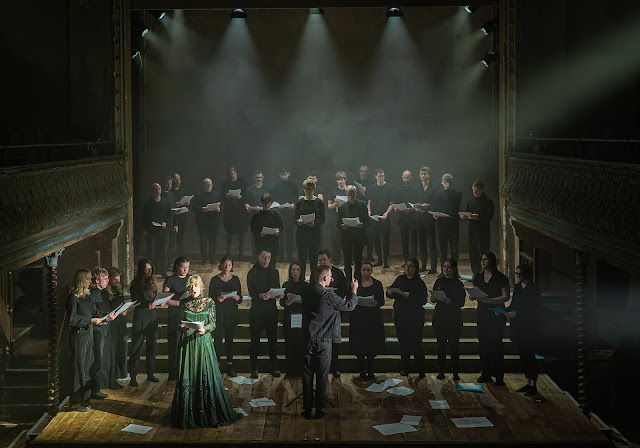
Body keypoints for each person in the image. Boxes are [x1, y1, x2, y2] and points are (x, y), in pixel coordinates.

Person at [171, 275, 243, 429]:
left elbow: (213, 324)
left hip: (203, 343)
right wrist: (182, 328)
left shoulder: (209, 302)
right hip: (188, 344)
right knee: (188, 378)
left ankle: (206, 413)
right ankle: (188, 414)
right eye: (191, 286)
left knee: (204, 376)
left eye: (196, 286)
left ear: (201, 287)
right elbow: (179, 323)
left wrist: (205, 329)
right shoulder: (184, 302)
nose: (193, 289)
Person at [301, 265, 358, 419]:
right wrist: (353, 290)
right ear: (325, 278)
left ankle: (307, 409)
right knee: (321, 376)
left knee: (306, 375)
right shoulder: (328, 297)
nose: (332, 279)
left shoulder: (305, 292)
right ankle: (319, 409)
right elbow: (349, 306)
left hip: (307, 339)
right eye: (330, 276)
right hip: (323, 341)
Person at [470, 251, 510, 386]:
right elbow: (476, 292)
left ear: (491, 261)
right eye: (481, 259)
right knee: (483, 343)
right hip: (482, 311)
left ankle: (499, 376)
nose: (482, 262)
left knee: (495, 344)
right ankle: (485, 373)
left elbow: (506, 296)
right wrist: (473, 296)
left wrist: (491, 300)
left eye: (485, 260)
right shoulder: (479, 277)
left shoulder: (500, 278)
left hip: (496, 311)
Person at [387, 258, 428, 377]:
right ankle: (405, 367)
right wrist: (390, 292)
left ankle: (421, 369)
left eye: (410, 266)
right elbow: (392, 292)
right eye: (406, 266)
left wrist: (411, 295)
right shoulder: (400, 279)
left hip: (415, 318)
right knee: (403, 343)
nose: (407, 268)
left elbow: (423, 300)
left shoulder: (419, 283)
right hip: (400, 316)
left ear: (415, 269)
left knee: (416, 344)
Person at [247, 248, 283, 378]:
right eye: (264, 257)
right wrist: (259, 295)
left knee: (273, 340)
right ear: (258, 256)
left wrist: (278, 294)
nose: (266, 260)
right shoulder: (252, 272)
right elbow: (251, 290)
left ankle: (274, 367)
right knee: (255, 340)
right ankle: (253, 368)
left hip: (271, 310)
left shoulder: (274, 272)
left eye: (268, 257)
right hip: (257, 310)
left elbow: (276, 286)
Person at [506, 264, 540, 396]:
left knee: (529, 355)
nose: (517, 276)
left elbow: (532, 310)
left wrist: (516, 314)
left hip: (529, 327)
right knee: (523, 354)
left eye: (519, 274)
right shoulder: (518, 287)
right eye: (516, 274)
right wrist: (504, 310)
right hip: (518, 326)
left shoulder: (533, 289)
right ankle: (528, 382)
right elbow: (514, 304)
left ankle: (533, 385)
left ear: (525, 274)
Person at [129, 259, 164, 387]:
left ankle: (151, 373)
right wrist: (146, 303)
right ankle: (133, 376)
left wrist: (158, 301)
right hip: (141, 315)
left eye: (151, 268)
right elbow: (135, 299)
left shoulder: (152, 282)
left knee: (152, 346)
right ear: (141, 269)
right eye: (146, 269)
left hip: (152, 315)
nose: (149, 271)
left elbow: (154, 297)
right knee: (137, 346)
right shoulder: (136, 283)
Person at [67, 269, 98, 411]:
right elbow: (72, 320)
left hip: (89, 334)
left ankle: (85, 400)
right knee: (78, 369)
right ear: (81, 280)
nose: (91, 282)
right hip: (79, 336)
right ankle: (75, 403)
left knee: (87, 368)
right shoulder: (73, 297)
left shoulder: (87, 296)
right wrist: (90, 320)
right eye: (88, 279)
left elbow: (94, 313)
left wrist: (106, 317)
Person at [431, 258, 466, 380]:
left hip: (453, 318)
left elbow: (461, 302)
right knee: (441, 345)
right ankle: (441, 371)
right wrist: (434, 298)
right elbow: (433, 298)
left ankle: (455, 372)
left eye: (448, 267)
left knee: (454, 346)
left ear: (454, 269)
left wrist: (450, 301)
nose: (446, 269)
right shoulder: (439, 282)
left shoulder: (458, 284)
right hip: (440, 317)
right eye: (444, 267)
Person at [210, 255, 243, 377]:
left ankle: (230, 365)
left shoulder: (235, 279)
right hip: (219, 312)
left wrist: (237, 297)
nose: (227, 267)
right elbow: (210, 297)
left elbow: (241, 298)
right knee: (218, 339)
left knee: (230, 339)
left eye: (229, 265)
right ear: (221, 264)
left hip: (231, 312)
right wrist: (217, 298)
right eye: (225, 264)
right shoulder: (214, 279)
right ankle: (216, 365)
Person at [350, 262, 385, 379]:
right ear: (360, 270)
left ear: (372, 271)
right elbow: (350, 298)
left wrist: (374, 303)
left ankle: (370, 371)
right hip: (358, 319)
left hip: (372, 319)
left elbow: (382, 301)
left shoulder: (377, 284)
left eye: (368, 270)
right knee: (359, 345)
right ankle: (361, 371)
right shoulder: (355, 284)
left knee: (371, 346)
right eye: (364, 270)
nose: (366, 272)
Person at [317, 249, 347, 378]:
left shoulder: (338, 273)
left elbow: (344, 290)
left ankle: (336, 367)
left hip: (335, 311)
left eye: (324, 259)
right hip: (322, 312)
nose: (322, 262)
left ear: (329, 259)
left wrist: (334, 296)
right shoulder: (317, 273)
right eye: (320, 261)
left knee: (335, 341)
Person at [162, 256, 191, 380]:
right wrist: (179, 303)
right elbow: (165, 298)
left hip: (188, 315)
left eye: (187, 268)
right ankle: (173, 373)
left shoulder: (190, 278)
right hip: (174, 314)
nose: (184, 270)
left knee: (188, 344)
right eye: (182, 267)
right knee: (174, 344)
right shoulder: (170, 279)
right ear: (176, 267)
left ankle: (186, 372)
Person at [89, 268, 114, 400]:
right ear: (97, 281)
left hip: (104, 327)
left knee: (102, 358)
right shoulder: (92, 294)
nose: (108, 281)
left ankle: (99, 387)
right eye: (105, 279)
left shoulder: (104, 293)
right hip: (96, 330)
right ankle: (94, 389)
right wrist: (107, 316)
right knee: (97, 359)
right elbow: (93, 313)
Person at [280, 262, 308, 377]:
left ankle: (302, 370)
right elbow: (281, 302)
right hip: (289, 317)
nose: (295, 272)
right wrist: (286, 302)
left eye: (297, 270)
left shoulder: (306, 286)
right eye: (293, 270)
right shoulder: (286, 285)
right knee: (290, 345)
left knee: (301, 344)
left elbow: (310, 302)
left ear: (301, 271)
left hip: (302, 318)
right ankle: (290, 370)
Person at [462, 180, 495, 276]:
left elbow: (490, 217)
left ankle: (485, 273)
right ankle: (475, 273)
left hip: (483, 231)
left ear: (482, 189)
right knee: (473, 253)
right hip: (472, 231)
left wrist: (478, 217)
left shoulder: (489, 202)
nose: (475, 193)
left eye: (477, 191)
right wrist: (465, 217)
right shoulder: (471, 202)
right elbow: (468, 213)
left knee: (483, 252)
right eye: (473, 191)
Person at [336, 185, 369, 281]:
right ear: (346, 194)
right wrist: (342, 226)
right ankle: (348, 280)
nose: (351, 195)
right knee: (347, 261)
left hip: (359, 236)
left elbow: (368, 222)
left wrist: (362, 225)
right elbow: (337, 223)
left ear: (356, 193)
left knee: (358, 260)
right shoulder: (342, 207)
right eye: (349, 193)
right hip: (346, 237)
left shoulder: (362, 205)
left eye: (353, 193)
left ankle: (357, 279)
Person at [295, 178, 325, 280]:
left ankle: (313, 282)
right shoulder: (300, 202)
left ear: (314, 188)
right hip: (302, 234)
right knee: (301, 259)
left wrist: (315, 223)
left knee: (313, 259)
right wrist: (298, 221)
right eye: (307, 189)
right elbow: (294, 218)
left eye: (311, 189)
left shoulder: (318, 202)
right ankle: (301, 281)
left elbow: (323, 219)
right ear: (304, 189)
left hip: (314, 234)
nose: (309, 191)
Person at [433, 173, 462, 270]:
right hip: (442, 225)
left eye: (449, 183)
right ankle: (443, 270)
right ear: (442, 183)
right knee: (443, 250)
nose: (447, 185)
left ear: (451, 183)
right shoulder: (438, 194)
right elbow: (436, 208)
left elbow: (456, 209)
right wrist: (436, 215)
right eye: (445, 182)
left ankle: (454, 271)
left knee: (454, 249)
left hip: (453, 225)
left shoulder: (457, 194)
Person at [142, 183, 172, 276]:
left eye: (159, 189)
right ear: (152, 191)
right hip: (151, 230)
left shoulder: (165, 202)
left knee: (163, 251)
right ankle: (152, 271)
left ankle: (163, 270)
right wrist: (145, 229)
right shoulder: (148, 203)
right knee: (151, 252)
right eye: (156, 189)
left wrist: (165, 223)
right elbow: (144, 217)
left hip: (163, 230)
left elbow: (170, 215)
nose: (158, 191)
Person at [367, 168, 394, 268]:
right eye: (379, 176)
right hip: (374, 217)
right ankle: (379, 260)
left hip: (385, 217)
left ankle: (386, 260)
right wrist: (369, 210)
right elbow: (369, 201)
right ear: (375, 177)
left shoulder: (389, 188)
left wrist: (387, 213)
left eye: (383, 175)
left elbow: (392, 204)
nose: (381, 177)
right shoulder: (371, 188)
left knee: (385, 239)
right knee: (376, 239)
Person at [192, 178, 223, 265]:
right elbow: (193, 207)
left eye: (210, 184)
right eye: (207, 184)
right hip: (202, 222)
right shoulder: (198, 195)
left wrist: (219, 209)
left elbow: (222, 206)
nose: (209, 186)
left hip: (214, 221)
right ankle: (203, 259)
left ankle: (212, 258)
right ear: (203, 185)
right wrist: (201, 209)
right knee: (203, 240)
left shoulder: (217, 194)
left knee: (213, 240)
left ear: (212, 185)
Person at [106, 267, 128, 389]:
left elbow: (121, 304)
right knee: (113, 350)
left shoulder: (119, 290)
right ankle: (112, 378)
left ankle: (121, 374)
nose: (117, 281)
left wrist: (124, 309)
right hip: (112, 323)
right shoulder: (106, 292)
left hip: (121, 321)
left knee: (122, 346)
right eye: (115, 279)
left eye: (119, 278)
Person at [221, 163, 249, 259]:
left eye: (234, 170)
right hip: (230, 211)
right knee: (229, 232)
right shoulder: (225, 183)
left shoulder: (243, 182)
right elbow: (222, 196)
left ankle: (240, 254)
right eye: (231, 171)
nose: (232, 172)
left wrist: (241, 197)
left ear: (237, 171)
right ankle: (228, 253)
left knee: (241, 233)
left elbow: (247, 195)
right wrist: (227, 196)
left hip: (240, 211)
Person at [415, 166, 439, 274]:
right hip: (420, 218)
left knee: (432, 243)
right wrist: (416, 208)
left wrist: (428, 206)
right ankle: (423, 265)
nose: (423, 176)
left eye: (425, 174)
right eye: (421, 174)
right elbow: (415, 202)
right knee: (422, 243)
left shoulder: (435, 188)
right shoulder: (417, 188)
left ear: (429, 175)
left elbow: (437, 203)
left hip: (430, 218)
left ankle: (433, 267)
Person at [250, 193, 284, 266]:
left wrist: (278, 231)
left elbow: (281, 226)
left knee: (272, 262)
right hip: (261, 242)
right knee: (261, 263)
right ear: (261, 203)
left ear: (270, 203)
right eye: (264, 203)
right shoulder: (256, 215)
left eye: (268, 203)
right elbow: (252, 228)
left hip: (273, 242)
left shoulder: (276, 214)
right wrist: (259, 233)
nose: (266, 205)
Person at [272, 168, 298, 262]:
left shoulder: (293, 185)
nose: (284, 176)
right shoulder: (276, 186)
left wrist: (293, 204)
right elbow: (273, 198)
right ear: (280, 175)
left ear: (289, 174)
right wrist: (277, 205)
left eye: (286, 174)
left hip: (290, 213)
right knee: (279, 235)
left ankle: (289, 256)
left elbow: (296, 198)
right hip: (280, 213)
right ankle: (280, 256)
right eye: (282, 174)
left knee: (290, 235)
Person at [246, 170, 271, 258]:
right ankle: (255, 257)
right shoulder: (250, 189)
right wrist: (247, 207)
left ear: (263, 177)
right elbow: (246, 202)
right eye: (257, 177)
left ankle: (265, 257)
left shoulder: (267, 189)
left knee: (266, 237)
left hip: (265, 216)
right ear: (254, 178)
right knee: (255, 238)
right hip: (254, 217)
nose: (259, 179)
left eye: (260, 177)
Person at [395, 170, 419, 262]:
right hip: (402, 219)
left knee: (414, 241)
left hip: (413, 218)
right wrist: (396, 208)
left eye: (407, 178)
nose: (406, 180)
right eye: (404, 178)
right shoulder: (398, 190)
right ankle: (406, 261)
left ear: (411, 178)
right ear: (402, 178)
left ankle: (413, 261)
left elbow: (418, 204)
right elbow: (396, 203)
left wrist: (411, 209)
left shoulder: (415, 189)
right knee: (404, 241)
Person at [354, 165, 375, 261]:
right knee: (358, 234)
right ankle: (358, 255)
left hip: (368, 208)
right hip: (358, 209)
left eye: (365, 171)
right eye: (362, 171)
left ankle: (369, 255)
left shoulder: (371, 183)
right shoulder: (355, 182)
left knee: (370, 234)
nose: (363, 173)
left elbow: (371, 197)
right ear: (359, 171)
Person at [327, 171, 348, 264]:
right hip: (336, 216)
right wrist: (334, 205)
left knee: (347, 239)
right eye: (338, 180)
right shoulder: (333, 191)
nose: (340, 181)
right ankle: (336, 259)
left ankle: (348, 259)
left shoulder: (349, 190)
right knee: (335, 238)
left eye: (342, 179)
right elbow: (328, 206)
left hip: (347, 216)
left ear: (345, 180)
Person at [171, 172, 189, 255]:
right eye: (176, 180)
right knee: (171, 238)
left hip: (182, 216)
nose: (178, 182)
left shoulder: (183, 190)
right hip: (172, 216)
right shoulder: (170, 191)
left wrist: (187, 203)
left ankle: (180, 256)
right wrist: (176, 204)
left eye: (179, 180)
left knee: (180, 238)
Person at [162, 175, 178, 268]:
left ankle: (169, 263)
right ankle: (164, 264)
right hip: (164, 222)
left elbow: (174, 209)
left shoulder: (172, 194)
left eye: (171, 184)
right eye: (167, 183)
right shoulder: (161, 195)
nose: (169, 186)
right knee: (165, 244)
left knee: (171, 244)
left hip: (172, 222)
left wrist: (176, 224)